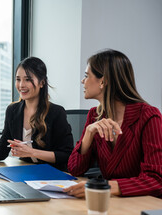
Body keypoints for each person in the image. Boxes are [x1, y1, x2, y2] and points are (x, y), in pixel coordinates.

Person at [64, 49, 162, 198]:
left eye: (86, 76)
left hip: (140, 204)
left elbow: (156, 180)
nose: (82, 81)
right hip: (110, 202)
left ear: (103, 81)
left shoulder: (148, 116)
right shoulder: (94, 116)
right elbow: (74, 169)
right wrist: (88, 135)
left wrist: (103, 187)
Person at [0, 57, 73, 171]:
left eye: (28, 79)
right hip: (26, 171)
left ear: (42, 82)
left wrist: (32, 152)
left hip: (53, 174)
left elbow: (66, 155)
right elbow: (1, 151)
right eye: (18, 79)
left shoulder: (56, 112)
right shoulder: (12, 111)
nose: (21, 85)